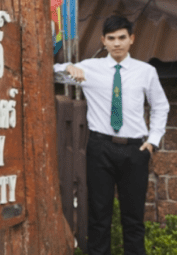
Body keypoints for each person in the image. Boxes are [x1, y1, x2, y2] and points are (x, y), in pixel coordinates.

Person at [55, 15, 169, 255]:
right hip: (100, 148)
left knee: (134, 218)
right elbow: (54, 73)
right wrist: (67, 67)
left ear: (131, 40)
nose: (116, 43)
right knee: (99, 216)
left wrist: (152, 141)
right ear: (103, 41)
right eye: (111, 38)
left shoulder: (145, 71)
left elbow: (161, 106)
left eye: (121, 38)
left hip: (135, 151)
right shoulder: (89, 68)